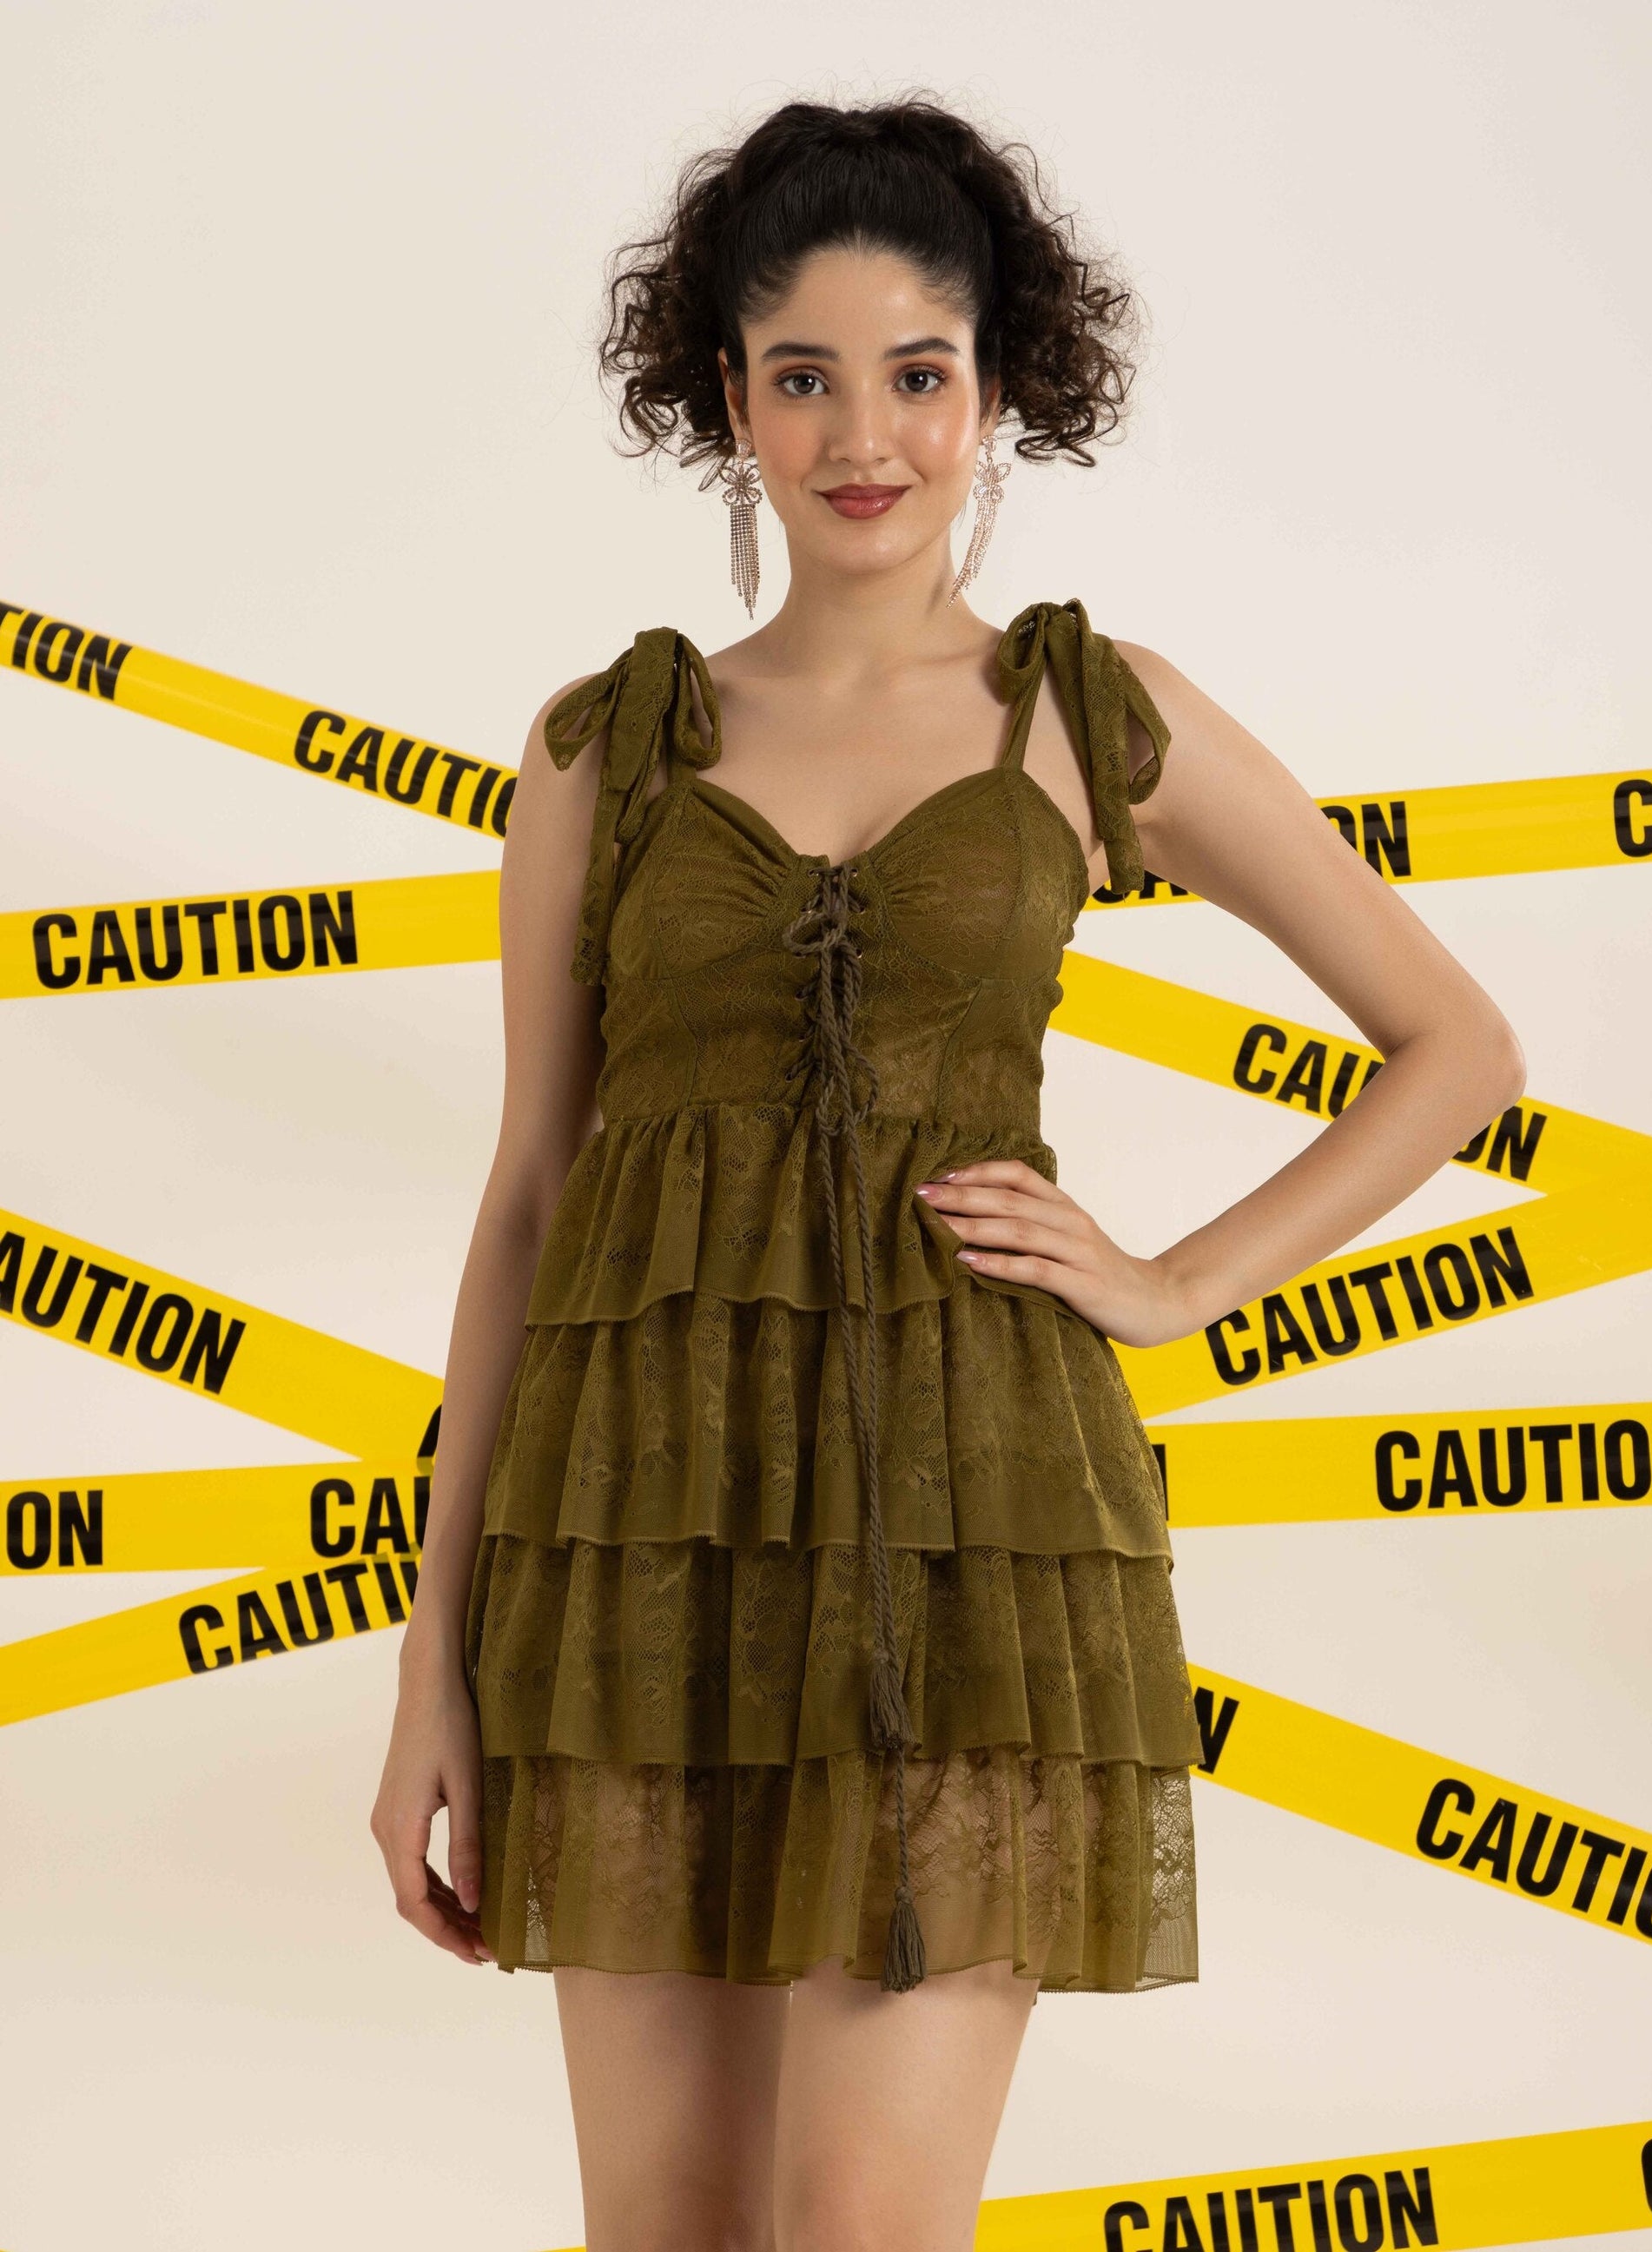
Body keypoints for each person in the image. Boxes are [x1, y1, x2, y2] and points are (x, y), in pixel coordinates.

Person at [371, 94, 1525, 2252]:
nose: (863, 434)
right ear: (727, 396)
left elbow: (1454, 1047)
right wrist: (432, 1663)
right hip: (638, 1562)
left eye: (916, 371)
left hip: (974, 1547)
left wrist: (1172, 1280)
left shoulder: (1086, 710)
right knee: (663, 2235)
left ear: (998, 387)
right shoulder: (602, 746)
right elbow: (532, 1196)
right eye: (801, 376)